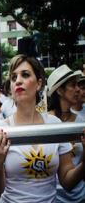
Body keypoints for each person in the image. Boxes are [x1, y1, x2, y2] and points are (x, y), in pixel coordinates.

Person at [0, 55, 85, 202]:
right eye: (14, 78)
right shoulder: (1, 130)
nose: (18, 81)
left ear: (39, 84)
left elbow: (67, 182)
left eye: (25, 75)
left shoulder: (55, 126)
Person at [47, 65, 85, 202]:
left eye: (78, 85)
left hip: (79, 196)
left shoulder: (81, 123)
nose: (78, 90)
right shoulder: (45, 124)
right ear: (60, 91)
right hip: (53, 197)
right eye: (73, 85)